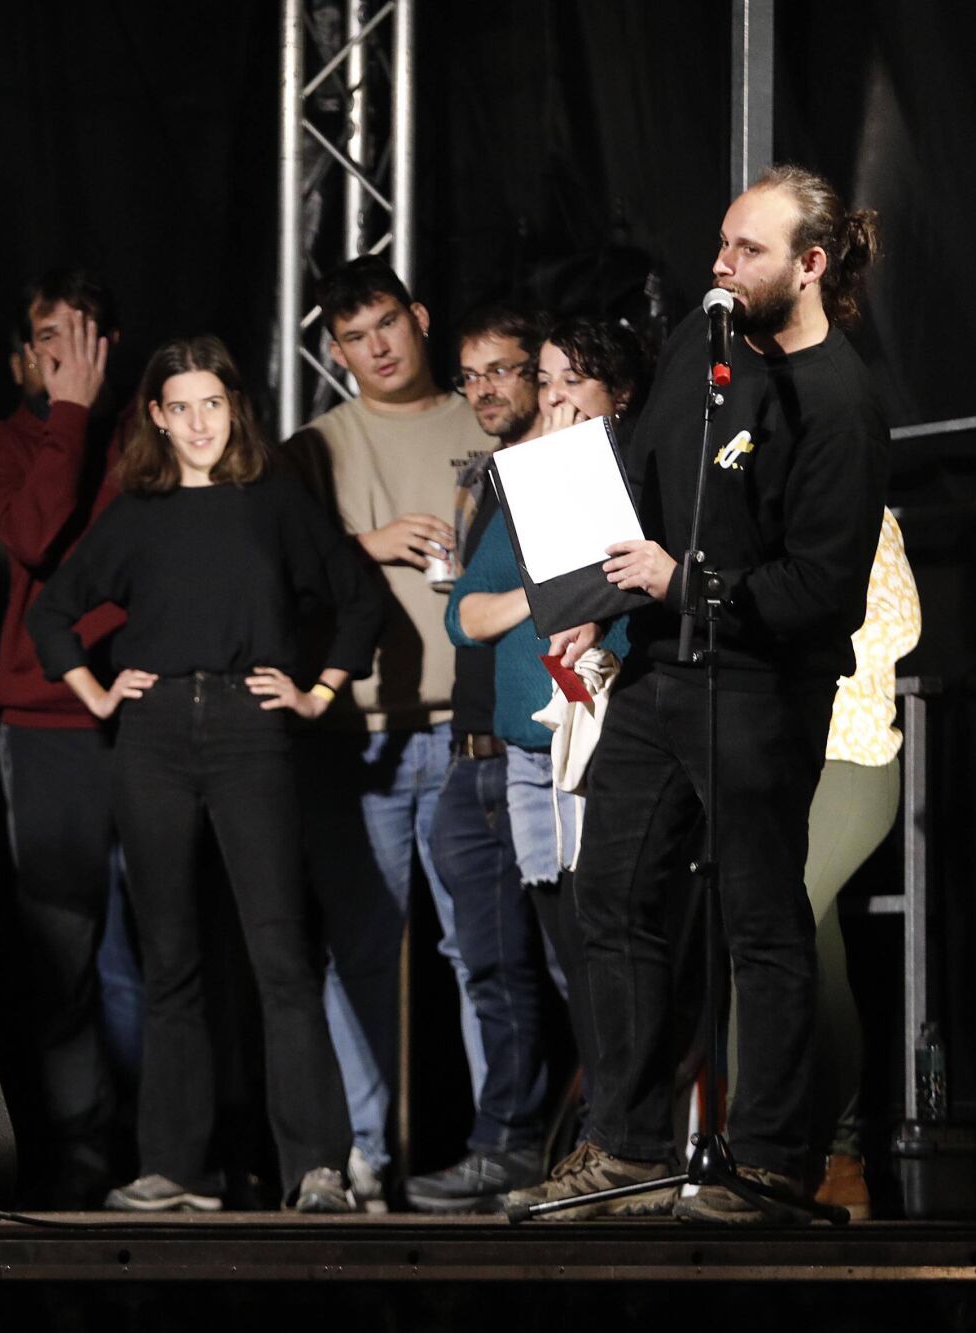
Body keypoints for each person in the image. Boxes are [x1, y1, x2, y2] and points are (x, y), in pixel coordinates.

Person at [515, 165, 886, 1223]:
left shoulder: (841, 404)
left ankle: (772, 1161)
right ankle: (626, 1147)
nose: (719, 268)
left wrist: (684, 583)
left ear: (810, 266)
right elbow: (641, 467)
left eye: (747, 252)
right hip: (658, 671)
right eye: (719, 244)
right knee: (615, 895)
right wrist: (594, 595)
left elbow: (822, 592)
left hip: (762, 687)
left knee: (760, 921)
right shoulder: (703, 337)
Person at [29, 335, 384, 1214]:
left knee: (279, 952)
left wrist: (316, 691)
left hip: (249, 729)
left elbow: (357, 593)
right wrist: (102, 694)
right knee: (172, 959)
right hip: (151, 737)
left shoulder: (273, 501)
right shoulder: (138, 508)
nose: (198, 424)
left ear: (236, 408)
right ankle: (175, 1169)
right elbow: (54, 612)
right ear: (155, 415)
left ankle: (317, 1169)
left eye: (212, 405)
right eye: (179, 407)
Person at [413, 316, 649, 1212]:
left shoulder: (631, 479)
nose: (551, 400)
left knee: (606, 946)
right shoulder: (530, 489)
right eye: (544, 383)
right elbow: (466, 616)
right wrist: (542, 592)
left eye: (570, 383)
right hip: (527, 754)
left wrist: (562, 589)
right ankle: (601, 1143)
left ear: (616, 396)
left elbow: (620, 597)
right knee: (564, 951)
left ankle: (625, 1141)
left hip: (600, 744)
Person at [280, 257, 498, 1203]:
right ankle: (362, 1146)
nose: (375, 350)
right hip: (356, 737)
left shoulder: (484, 418)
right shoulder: (312, 446)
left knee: (482, 947)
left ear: (418, 318)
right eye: (353, 339)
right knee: (361, 945)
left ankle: (505, 1142)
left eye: (387, 328)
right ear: (334, 349)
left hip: (467, 732)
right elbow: (280, 570)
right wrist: (366, 545)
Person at [0, 270, 144, 1207]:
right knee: (64, 955)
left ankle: (162, 1148)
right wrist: (69, 416)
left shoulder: (148, 435)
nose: (63, 354)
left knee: (153, 948)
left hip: (151, 716)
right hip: (46, 726)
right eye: (47, 337)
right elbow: (37, 538)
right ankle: (83, 1154)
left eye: (80, 335)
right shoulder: (6, 442)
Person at [402, 304, 551, 1211]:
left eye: (503, 370)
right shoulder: (489, 477)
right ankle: (509, 1143)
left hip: (535, 754)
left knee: (579, 958)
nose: (485, 388)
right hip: (470, 758)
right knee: (490, 965)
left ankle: (617, 1137)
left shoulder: (561, 473)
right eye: (472, 374)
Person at [732, 507, 919, 1220]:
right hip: (766, 752)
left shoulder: (861, 510)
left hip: (848, 751)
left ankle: (780, 1152)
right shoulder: (737, 500)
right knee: (802, 939)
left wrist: (786, 616)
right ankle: (819, 1154)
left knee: (776, 923)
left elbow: (898, 628)